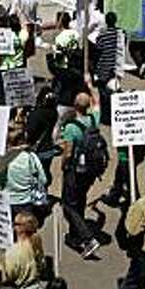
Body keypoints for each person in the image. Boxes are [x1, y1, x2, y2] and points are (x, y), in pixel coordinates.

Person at [60, 90, 106, 257]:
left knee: (68, 205)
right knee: (79, 200)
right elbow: (98, 101)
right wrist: (91, 86)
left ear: (74, 105)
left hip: (75, 170)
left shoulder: (72, 127)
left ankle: (88, 238)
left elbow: (67, 152)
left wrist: (63, 165)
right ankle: (75, 235)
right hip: (91, 170)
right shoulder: (94, 119)